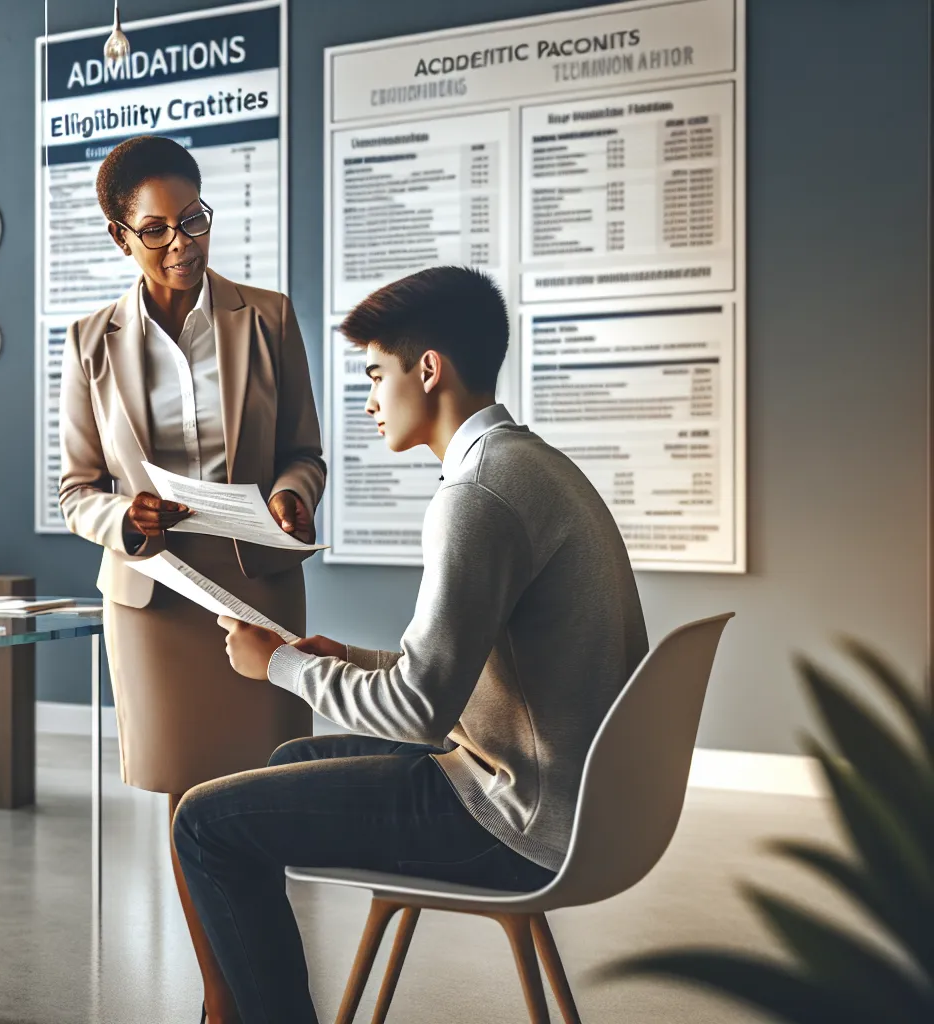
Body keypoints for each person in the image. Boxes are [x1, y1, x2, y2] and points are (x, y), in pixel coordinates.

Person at [179, 267, 649, 1024]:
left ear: (428, 369)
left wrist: (280, 664)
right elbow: (459, 675)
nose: (366, 400)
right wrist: (335, 660)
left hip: (520, 819)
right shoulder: (529, 465)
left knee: (204, 823)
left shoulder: (477, 496)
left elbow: (421, 709)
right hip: (572, 796)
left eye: (374, 373)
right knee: (288, 765)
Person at [56, 134, 324, 1023]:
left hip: (258, 578)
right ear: (118, 236)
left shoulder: (270, 319)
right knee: (191, 800)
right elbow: (75, 489)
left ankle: (265, 990)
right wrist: (121, 521)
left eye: (195, 220)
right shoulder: (90, 342)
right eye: (159, 229)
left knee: (268, 788)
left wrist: (290, 499)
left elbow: (303, 455)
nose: (183, 244)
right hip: (155, 594)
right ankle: (219, 998)